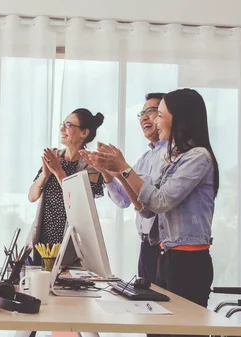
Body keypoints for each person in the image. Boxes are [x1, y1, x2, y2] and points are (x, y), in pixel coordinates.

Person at [82, 88, 218, 337]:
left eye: (159, 114)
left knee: (180, 334)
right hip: (167, 257)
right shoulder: (169, 157)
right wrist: (113, 171)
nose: (153, 121)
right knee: (157, 332)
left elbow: (161, 200)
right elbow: (146, 210)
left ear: (179, 117)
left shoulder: (198, 157)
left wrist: (123, 168)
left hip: (187, 262)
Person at [101, 93, 167, 283]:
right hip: (146, 245)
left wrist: (122, 168)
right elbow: (123, 200)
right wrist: (105, 172)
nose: (145, 117)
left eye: (151, 111)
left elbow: (154, 196)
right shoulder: (145, 158)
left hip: (164, 247)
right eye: (142, 113)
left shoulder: (173, 154)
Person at [26, 108, 105, 265]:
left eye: (68, 125)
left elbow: (80, 201)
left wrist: (58, 171)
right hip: (43, 240)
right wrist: (45, 175)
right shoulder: (55, 157)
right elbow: (32, 196)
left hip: (72, 243)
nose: (62, 129)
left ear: (84, 133)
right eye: (63, 124)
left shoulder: (91, 164)